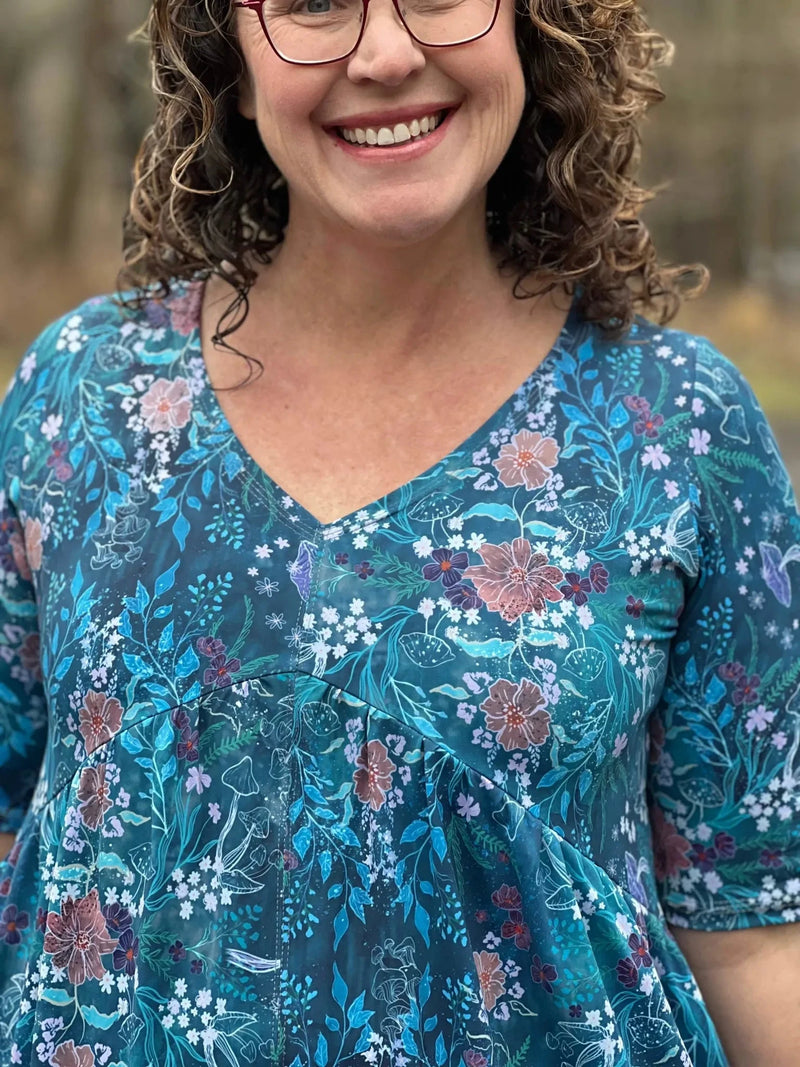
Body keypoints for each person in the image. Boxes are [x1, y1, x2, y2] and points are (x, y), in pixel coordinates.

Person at [0, 0, 798, 1063]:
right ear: (224, 57)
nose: (383, 53)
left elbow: (749, 926)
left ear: (538, 29)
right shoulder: (79, 398)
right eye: (312, 3)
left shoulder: (678, 428)